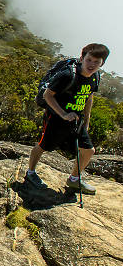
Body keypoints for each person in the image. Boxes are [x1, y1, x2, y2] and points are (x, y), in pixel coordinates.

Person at [25, 43, 110, 194]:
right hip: (56, 117)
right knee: (43, 145)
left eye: (97, 62)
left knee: (89, 150)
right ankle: (30, 173)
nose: (92, 65)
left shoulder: (95, 77)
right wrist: (63, 114)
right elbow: (47, 95)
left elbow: (89, 97)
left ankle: (74, 179)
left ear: (102, 63)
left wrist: (87, 119)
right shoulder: (67, 75)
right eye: (89, 60)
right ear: (82, 58)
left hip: (77, 119)